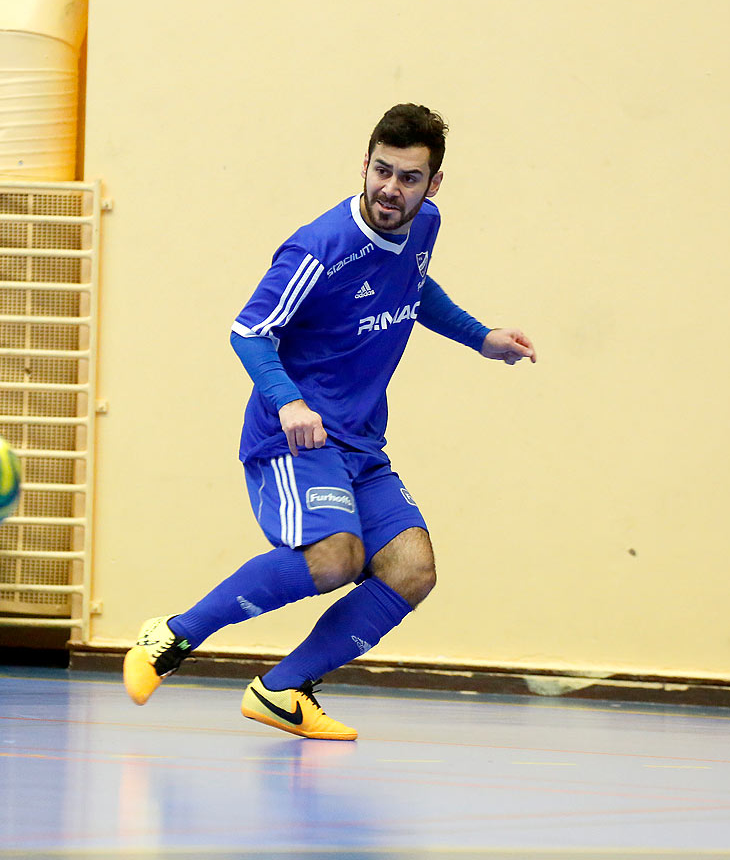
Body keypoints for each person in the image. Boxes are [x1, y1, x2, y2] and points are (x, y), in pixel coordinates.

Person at [124, 104, 536, 740]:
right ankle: (173, 636)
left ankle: (282, 690)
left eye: (408, 178)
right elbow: (249, 332)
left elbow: (415, 288)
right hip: (292, 437)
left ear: (434, 184)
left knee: (411, 569)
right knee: (335, 556)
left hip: (362, 444)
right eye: (381, 171)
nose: (390, 190)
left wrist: (480, 336)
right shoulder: (319, 248)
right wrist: (289, 402)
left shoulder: (423, 227)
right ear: (364, 163)